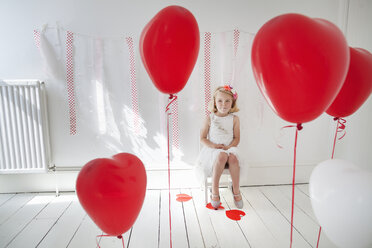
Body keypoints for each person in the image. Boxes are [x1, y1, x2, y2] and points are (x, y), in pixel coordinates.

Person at [196, 85, 243, 209]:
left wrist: (229, 147)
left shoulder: (234, 119)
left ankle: (236, 191)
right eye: (220, 101)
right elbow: (202, 138)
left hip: (229, 148)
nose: (224, 104)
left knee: (233, 158)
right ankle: (215, 190)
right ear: (215, 103)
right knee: (221, 155)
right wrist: (214, 146)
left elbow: (237, 138)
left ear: (232, 103)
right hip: (213, 151)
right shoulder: (210, 118)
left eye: (228, 101)